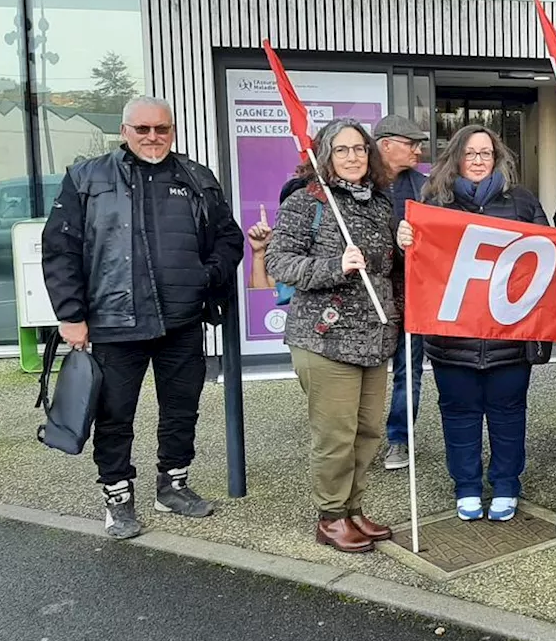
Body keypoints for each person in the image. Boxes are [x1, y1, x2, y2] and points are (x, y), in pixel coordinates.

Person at [42, 96, 244, 539]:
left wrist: (203, 276)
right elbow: (60, 250)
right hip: (114, 322)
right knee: (114, 415)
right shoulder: (86, 178)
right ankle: (117, 496)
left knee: (181, 410)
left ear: (172, 131)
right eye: (143, 129)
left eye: (162, 129)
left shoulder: (196, 178)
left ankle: (172, 484)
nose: (153, 137)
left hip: (182, 321)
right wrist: (71, 315)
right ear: (124, 130)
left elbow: (229, 239)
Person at [395, 125, 548, 523]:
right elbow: (413, 270)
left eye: (486, 153)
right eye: (470, 153)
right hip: (453, 339)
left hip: (509, 339)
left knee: (508, 414)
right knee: (458, 414)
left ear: (497, 159)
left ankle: (506, 485)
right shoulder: (433, 203)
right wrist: (405, 241)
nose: (478, 161)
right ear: (456, 158)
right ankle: (465, 486)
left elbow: (547, 256)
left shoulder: (521, 202)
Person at [264, 118, 400, 554]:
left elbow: (386, 268)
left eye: (359, 148)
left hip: (374, 338)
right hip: (324, 337)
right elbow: (280, 264)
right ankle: (331, 516)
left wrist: (403, 244)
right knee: (335, 435)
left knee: (368, 432)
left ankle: (353, 508)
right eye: (342, 150)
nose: (353, 157)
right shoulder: (307, 202)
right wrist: (333, 266)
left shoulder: (381, 202)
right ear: (325, 156)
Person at [373, 114, 429, 472]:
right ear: (385, 145)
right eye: (411, 144)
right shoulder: (358, 184)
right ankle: (354, 442)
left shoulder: (426, 187)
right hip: (369, 296)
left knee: (409, 371)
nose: (419, 150)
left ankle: (399, 439)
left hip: (412, 295)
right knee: (357, 374)